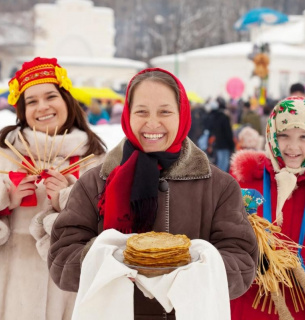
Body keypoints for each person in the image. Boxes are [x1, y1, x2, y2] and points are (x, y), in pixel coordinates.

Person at [48, 67, 258, 319]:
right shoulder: (95, 182)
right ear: (127, 115)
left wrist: (192, 267)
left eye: (165, 111)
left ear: (182, 115)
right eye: (142, 112)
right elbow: (61, 261)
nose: (152, 123)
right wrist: (110, 258)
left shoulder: (219, 186)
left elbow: (243, 263)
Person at [0, 57, 107, 320]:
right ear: (22, 110)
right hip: (9, 286)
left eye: (50, 96)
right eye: (31, 101)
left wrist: (67, 203)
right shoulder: (5, 154)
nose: (43, 107)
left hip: (69, 288)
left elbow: (107, 231)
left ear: (66, 100)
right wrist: (5, 201)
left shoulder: (96, 160)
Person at [230, 95, 305, 319]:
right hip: (249, 309)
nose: (293, 147)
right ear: (272, 135)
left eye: (303, 136)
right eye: (284, 136)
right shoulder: (244, 183)